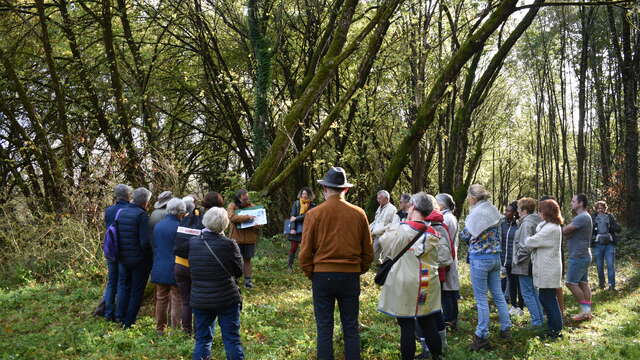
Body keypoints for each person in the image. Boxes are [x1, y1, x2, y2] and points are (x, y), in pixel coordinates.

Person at [299, 166, 373, 360]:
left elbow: (305, 252)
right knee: (351, 326)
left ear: (325, 189)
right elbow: (368, 251)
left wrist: (312, 273)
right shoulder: (359, 213)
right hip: (350, 276)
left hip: (322, 276)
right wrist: (358, 269)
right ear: (345, 190)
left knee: (324, 327)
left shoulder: (314, 214)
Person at [378, 192, 443, 360]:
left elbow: (386, 248)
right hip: (427, 282)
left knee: (406, 325)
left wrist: (390, 228)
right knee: (428, 321)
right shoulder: (434, 232)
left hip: (405, 283)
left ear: (413, 206)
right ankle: (437, 356)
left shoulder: (402, 230)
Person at [459, 184, 511, 351]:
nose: (468, 199)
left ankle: (481, 334)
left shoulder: (476, 213)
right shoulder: (493, 210)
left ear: (473, 198)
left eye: (469, 197)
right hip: (496, 257)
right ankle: (506, 327)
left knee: (481, 298)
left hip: (480, 258)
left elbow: (466, 235)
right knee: (498, 294)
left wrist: (464, 234)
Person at [189, 207, 245, 360]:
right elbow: (239, 272)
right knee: (232, 339)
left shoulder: (193, 243)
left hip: (200, 298)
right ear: (225, 224)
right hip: (226, 298)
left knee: (202, 339)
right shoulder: (229, 244)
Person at [174, 191, 224, 334]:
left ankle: (186, 330)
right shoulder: (212, 221)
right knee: (199, 301)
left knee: (185, 301)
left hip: (179, 264)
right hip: (198, 266)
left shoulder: (189, 216)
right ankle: (199, 331)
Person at [524, 199, 564, 338]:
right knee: (547, 298)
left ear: (546, 212)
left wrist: (526, 236)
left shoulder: (551, 228)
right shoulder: (549, 226)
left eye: (540, 210)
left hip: (549, 269)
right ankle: (553, 327)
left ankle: (556, 329)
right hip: (548, 267)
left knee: (548, 299)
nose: (539, 213)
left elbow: (531, 241)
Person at [95, 184, 134, 321]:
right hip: (125, 251)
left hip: (111, 250)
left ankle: (108, 313)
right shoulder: (129, 210)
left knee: (112, 282)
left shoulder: (109, 210)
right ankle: (119, 314)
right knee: (123, 282)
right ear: (128, 195)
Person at [116, 187, 153, 328]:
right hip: (138, 260)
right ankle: (129, 321)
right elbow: (144, 242)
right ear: (145, 202)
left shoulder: (122, 212)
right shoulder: (142, 216)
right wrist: (150, 256)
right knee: (136, 291)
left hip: (123, 257)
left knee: (124, 287)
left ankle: (119, 317)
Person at [151, 198, 186, 334]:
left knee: (161, 298)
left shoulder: (158, 226)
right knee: (177, 298)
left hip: (159, 266)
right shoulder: (180, 227)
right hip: (175, 267)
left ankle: (160, 328)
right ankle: (175, 329)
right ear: (179, 212)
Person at [512, 198, 544, 328]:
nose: (517, 212)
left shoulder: (526, 224)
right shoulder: (536, 221)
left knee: (527, 293)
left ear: (524, 210)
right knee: (533, 291)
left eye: (519, 209)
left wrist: (517, 258)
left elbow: (526, 245)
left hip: (525, 263)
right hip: (532, 261)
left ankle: (536, 322)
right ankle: (540, 319)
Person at [562, 193, 594, 321]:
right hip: (583, 254)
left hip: (579, 255)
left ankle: (585, 312)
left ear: (580, 203)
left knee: (570, 283)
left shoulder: (582, 217)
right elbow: (569, 233)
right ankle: (587, 312)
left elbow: (565, 231)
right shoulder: (583, 217)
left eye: (573, 201)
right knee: (583, 283)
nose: (571, 203)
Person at [435, 193, 460, 330]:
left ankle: (450, 320)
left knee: (448, 290)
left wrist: (446, 260)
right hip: (449, 256)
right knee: (448, 289)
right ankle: (451, 319)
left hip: (447, 257)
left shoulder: (446, 218)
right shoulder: (448, 216)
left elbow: (446, 240)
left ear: (442, 204)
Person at [227, 189, 260, 288]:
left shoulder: (253, 207)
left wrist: (256, 224)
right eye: (244, 198)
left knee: (247, 260)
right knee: (235, 260)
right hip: (236, 238)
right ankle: (234, 280)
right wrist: (247, 217)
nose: (246, 199)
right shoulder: (232, 206)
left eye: (247, 197)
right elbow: (232, 218)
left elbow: (259, 221)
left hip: (250, 238)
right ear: (239, 197)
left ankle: (248, 281)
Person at [539, 195, 565, 316]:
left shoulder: (554, 224)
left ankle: (560, 313)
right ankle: (551, 314)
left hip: (554, 257)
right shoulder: (544, 222)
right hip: (546, 258)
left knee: (556, 287)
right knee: (547, 290)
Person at [591, 200, 621, 291]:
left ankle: (612, 286)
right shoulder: (593, 217)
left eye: (602, 208)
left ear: (605, 208)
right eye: (598, 208)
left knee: (610, 265)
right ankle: (601, 284)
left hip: (609, 245)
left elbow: (618, 229)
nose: (600, 210)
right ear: (596, 209)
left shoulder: (610, 217)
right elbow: (589, 231)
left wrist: (609, 225)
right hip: (597, 245)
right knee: (599, 266)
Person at [499, 201, 523, 316]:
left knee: (520, 284)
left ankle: (521, 307)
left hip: (517, 260)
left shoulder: (520, 225)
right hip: (506, 259)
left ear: (515, 213)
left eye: (508, 211)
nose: (505, 213)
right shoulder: (503, 224)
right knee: (512, 283)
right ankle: (513, 306)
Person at [287, 187, 317, 270]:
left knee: (307, 249)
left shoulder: (313, 205)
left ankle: (306, 266)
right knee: (293, 248)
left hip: (307, 229)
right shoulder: (296, 203)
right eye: (303, 194)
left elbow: (307, 216)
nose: (304, 196)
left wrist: (296, 218)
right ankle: (289, 266)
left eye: (306, 194)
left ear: (310, 195)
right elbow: (292, 216)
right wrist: (292, 228)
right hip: (296, 229)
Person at [370, 190, 397, 262]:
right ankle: (378, 266)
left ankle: (384, 268)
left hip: (386, 236)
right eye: (377, 198)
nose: (378, 200)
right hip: (377, 235)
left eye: (380, 198)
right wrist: (369, 228)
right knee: (374, 254)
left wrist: (383, 230)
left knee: (387, 256)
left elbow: (394, 223)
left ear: (387, 199)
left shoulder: (392, 209)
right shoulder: (379, 208)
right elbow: (376, 221)